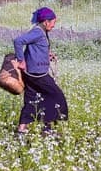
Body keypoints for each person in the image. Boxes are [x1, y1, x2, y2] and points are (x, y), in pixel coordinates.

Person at [12, 7, 68, 135]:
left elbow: (36, 48)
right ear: (46, 22)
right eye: (53, 22)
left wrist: (47, 54)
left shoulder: (42, 32)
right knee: (56, 96)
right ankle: (47, 129)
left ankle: (21, 130)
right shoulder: (38, 32)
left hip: (31, 73)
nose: (54, 25)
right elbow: (18, 41)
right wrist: (21, 60)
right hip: (37, 74)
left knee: (31, 99)